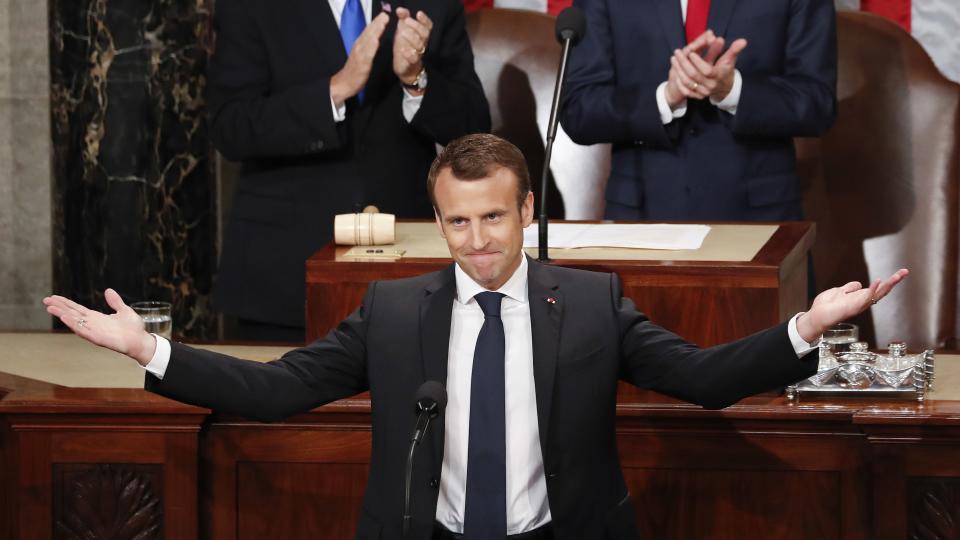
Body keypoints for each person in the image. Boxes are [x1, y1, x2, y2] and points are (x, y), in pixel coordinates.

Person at [45, 134, 906, 540]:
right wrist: (146, 351)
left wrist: (805, 328)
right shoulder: (391, 311)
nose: (477, 239)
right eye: (458, 222)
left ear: (528, 212)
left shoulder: (593, 305)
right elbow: (278, 389)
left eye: (494, 216)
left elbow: (708, 378)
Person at [208, 0, 491, 340]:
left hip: (408, 270)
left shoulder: (431, 6)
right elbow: (231, 129)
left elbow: (473, 128)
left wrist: (416, 79)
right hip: (284, 274)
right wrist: (337, 89)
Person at [560, 0, 838, 221]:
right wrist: (665, 97)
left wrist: (731, 90)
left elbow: (817, 102)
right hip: (643, 216)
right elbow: (580, 110)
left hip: (760, 219)